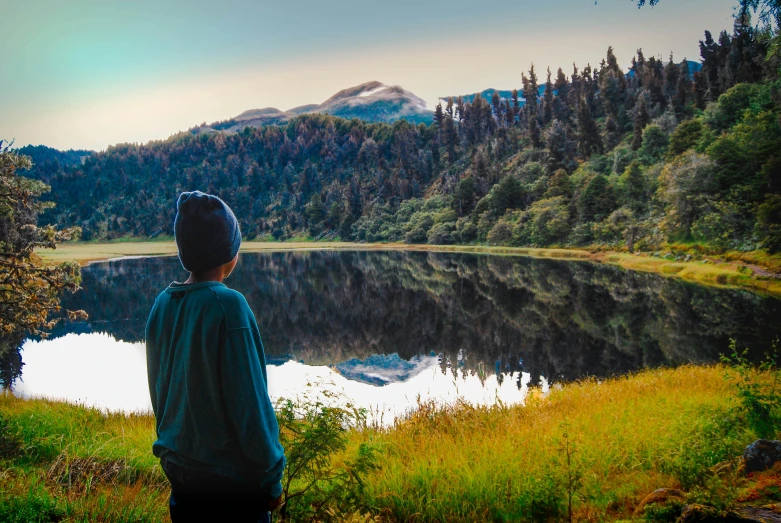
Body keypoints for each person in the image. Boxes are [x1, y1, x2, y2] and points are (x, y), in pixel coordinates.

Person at [145, 191, 286, 523]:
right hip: (233, 495)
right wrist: (272, 479)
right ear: (229, 253)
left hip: (182, 486)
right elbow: (251, 408)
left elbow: (159, 396)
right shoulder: (228, 306)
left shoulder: (162, 305)